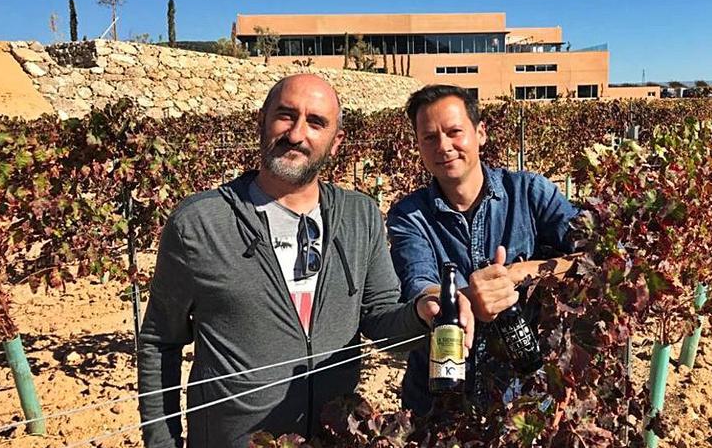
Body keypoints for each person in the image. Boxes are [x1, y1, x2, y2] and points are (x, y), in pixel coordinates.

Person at [137, 74, 474, 448]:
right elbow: (159, 342)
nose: (297, 134)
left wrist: (422, 314)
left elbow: (381, 320)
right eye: (285, 116)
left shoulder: (359, 216)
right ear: (261, 122)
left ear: (335, 143)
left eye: (316, 122)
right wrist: (162, 443)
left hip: (333, 438)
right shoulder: (201, 223)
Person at [387, 84, 580, 416]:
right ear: (418, 146)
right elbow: (419, 282)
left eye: (454, 132)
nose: (444, 146)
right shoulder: (408, 215)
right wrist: (453, 301)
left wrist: (522, 273)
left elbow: (603, 255)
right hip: (439, 399)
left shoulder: (531, 193)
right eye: (429, 138)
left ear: (480, 133)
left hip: (524, 394)